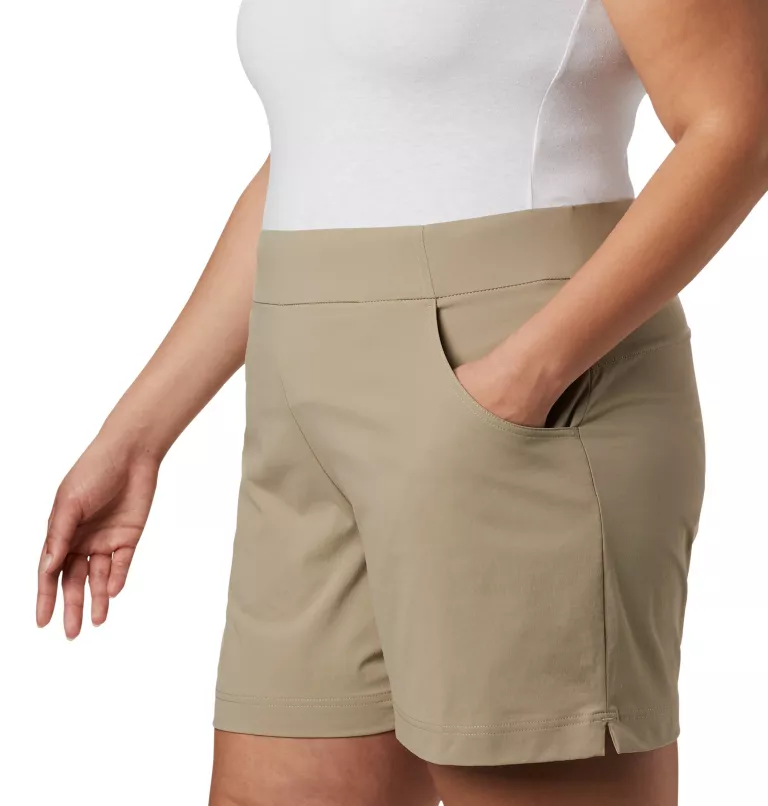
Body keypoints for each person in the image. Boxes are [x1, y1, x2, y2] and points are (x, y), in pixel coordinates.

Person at [36, 1, 768, 804]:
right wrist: (138, 434)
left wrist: (518, 380)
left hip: (514, 396)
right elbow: (331, 152)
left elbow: (739, 123)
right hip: (303, 417)